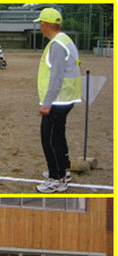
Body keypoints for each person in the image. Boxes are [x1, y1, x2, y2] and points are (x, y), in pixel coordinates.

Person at [34, 8, 82, 194]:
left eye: (40, 23)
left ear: (45, 24)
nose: (40, 27)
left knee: (50, 139)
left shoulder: (57, 44)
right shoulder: (65, 40)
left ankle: (57, 178)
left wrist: (47, 103)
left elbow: (56, 76)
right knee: (58, 135)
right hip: (65, 98)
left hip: (58, 100)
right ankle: (63, 169)